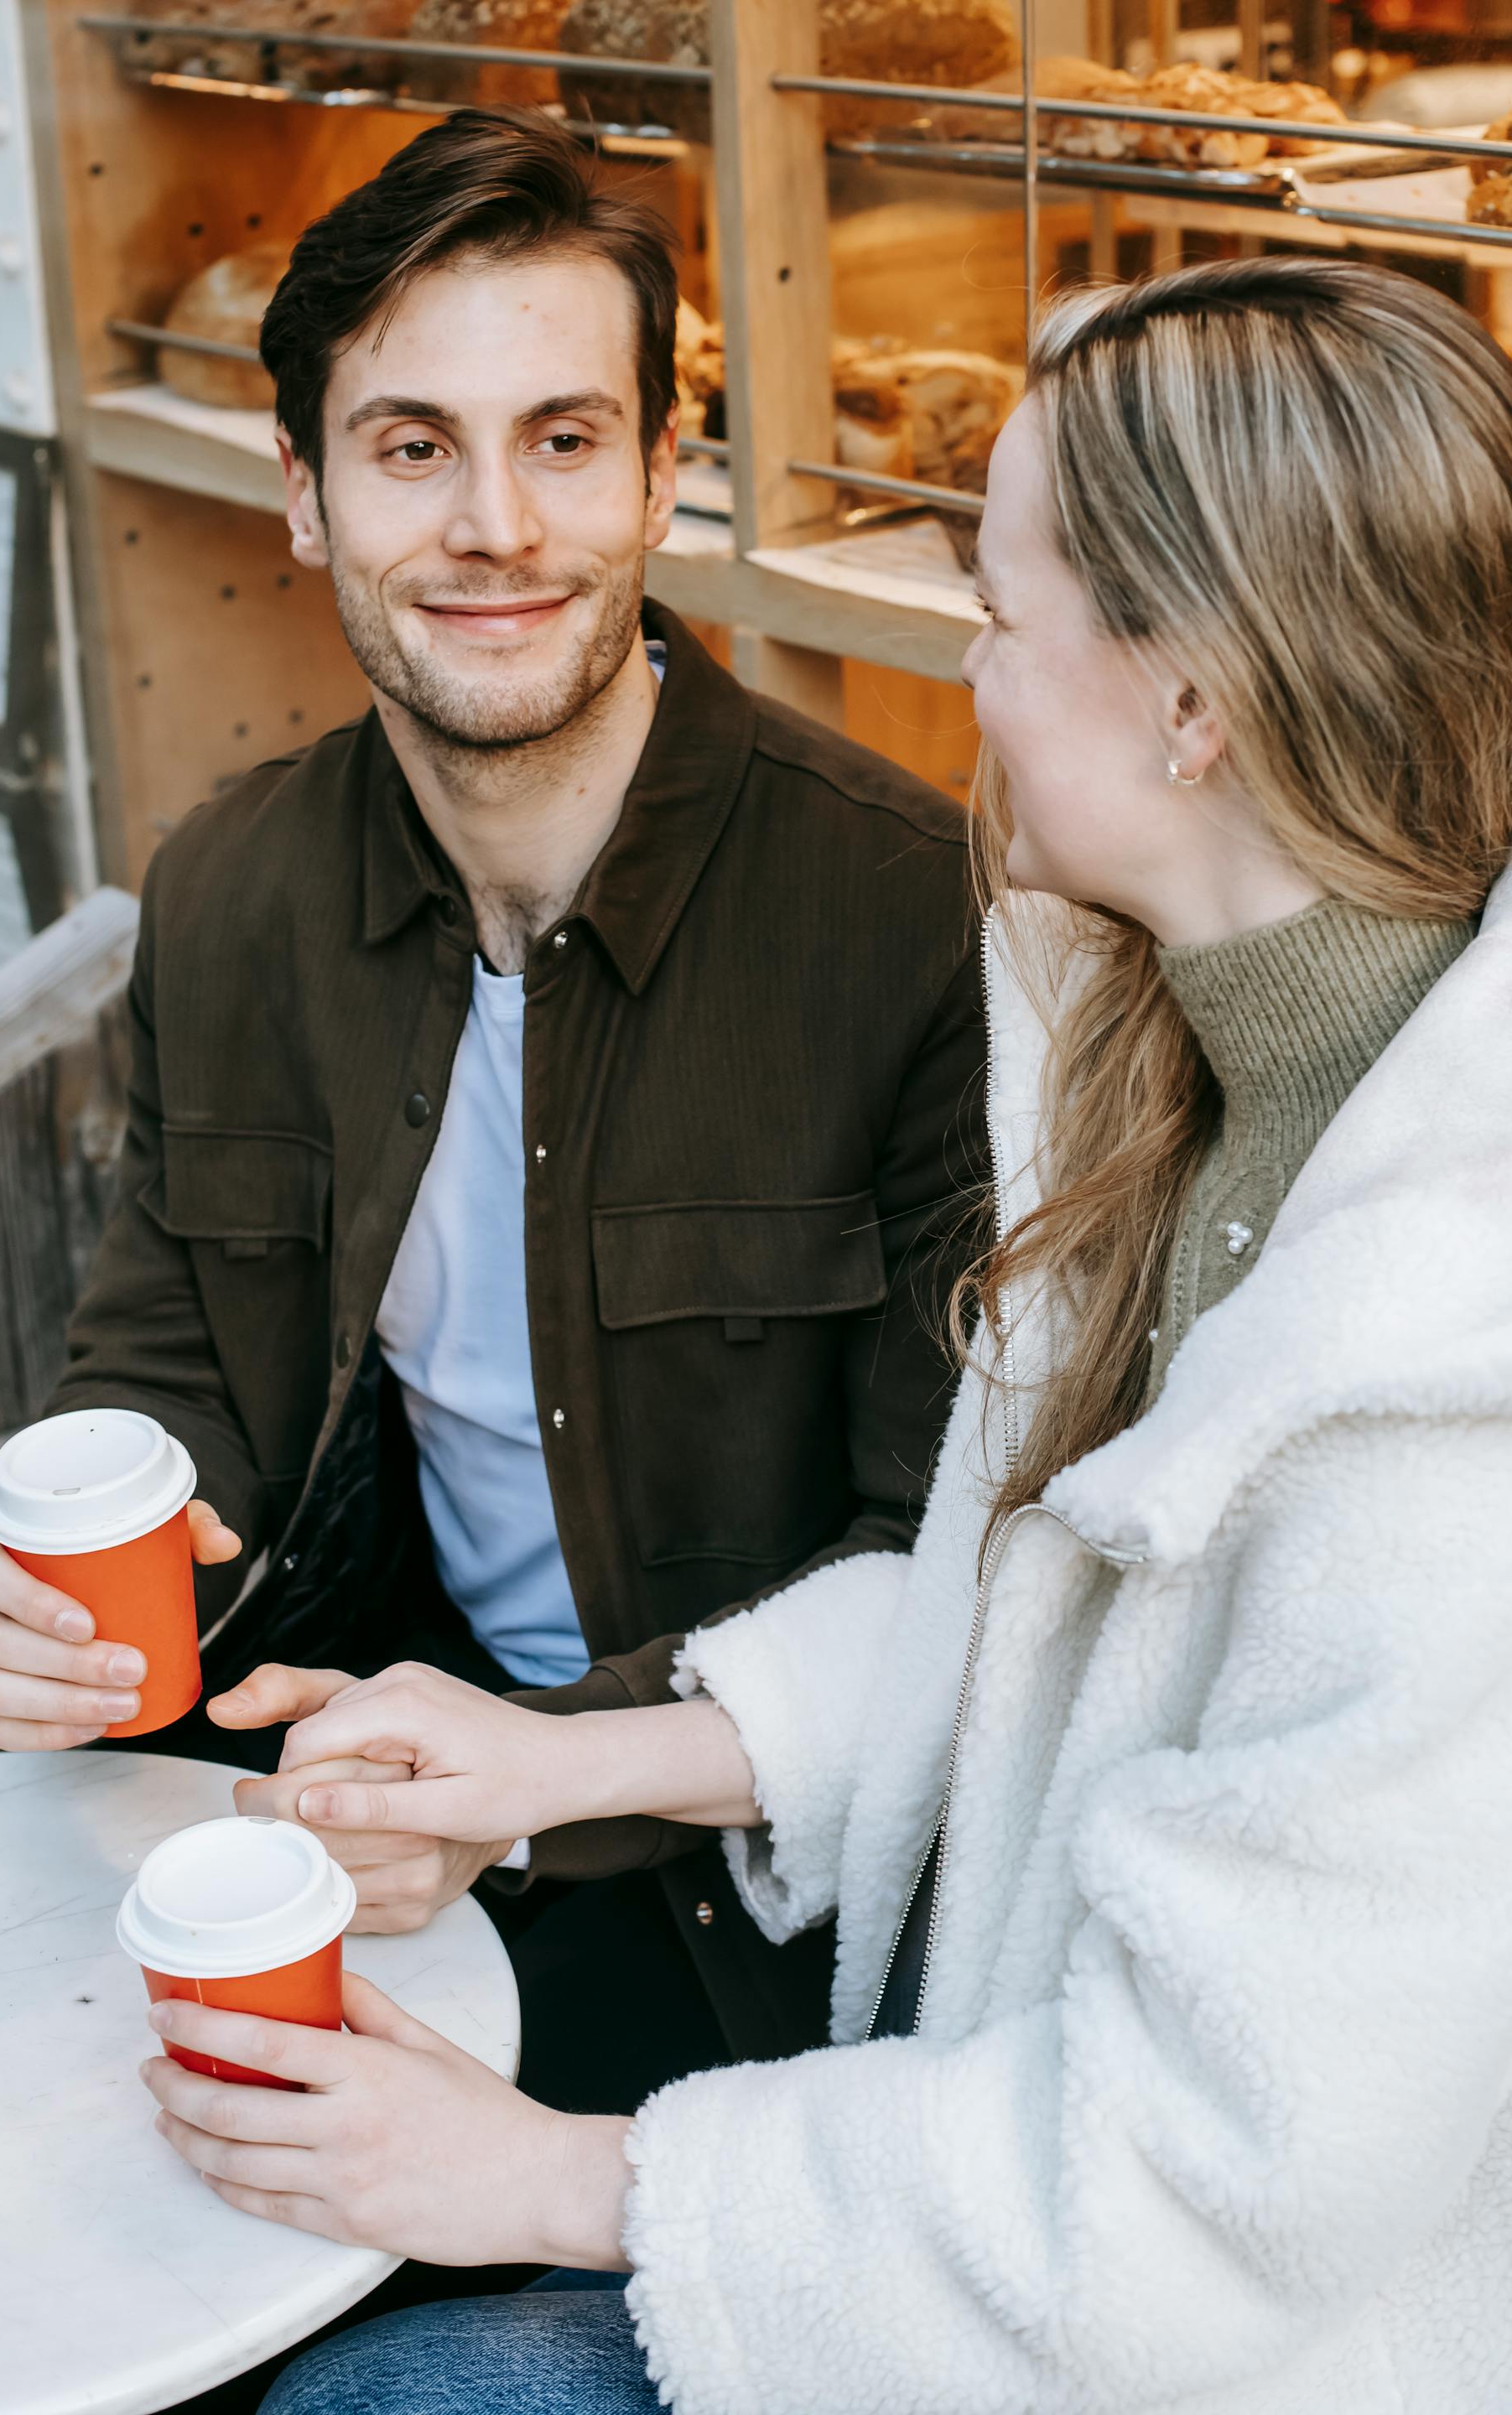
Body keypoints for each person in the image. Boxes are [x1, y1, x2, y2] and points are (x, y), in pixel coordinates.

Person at [141, 252, 1512, 2415]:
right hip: (988, 2174)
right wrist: (555, 1764)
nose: (960, 671)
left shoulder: (1448, 1407)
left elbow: (1189, 2197)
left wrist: (563, 2179)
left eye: (1001, 614)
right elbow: (1029, 1642)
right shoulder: (1159, 1069)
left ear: (1191, 702)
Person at [0, 109, 985, 2114]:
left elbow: (943, 1572)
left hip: (753, 1903)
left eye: (565, 440)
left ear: (663, 477)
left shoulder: (910, 914)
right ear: (306, 499)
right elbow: (168, 1362)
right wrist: (47, 1599)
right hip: (347, 1799)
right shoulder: (232, 885)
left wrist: (534, 1786)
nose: (495, 525)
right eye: (413, 446)